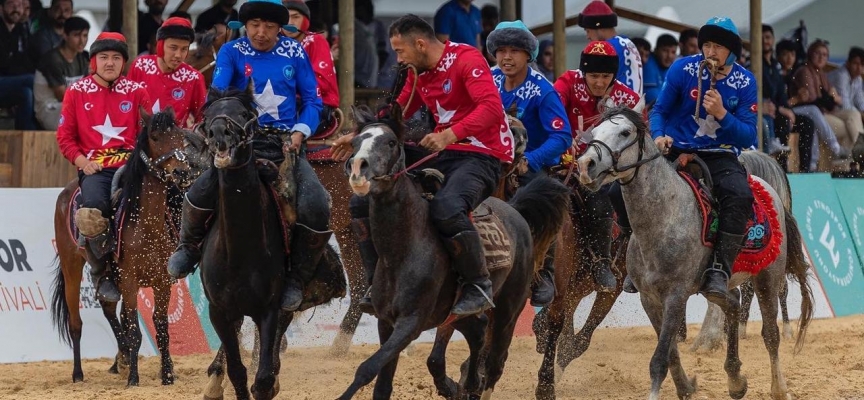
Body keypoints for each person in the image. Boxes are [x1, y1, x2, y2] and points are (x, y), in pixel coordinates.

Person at [331, 14, 512, 316]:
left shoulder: (467, 59)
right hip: (446, 152)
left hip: (484, 154)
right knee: (362, 200)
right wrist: (356, 137)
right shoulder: (418, 73)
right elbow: (394, 113)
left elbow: (492, 109)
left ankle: (479, 284)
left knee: (446, 208)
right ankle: (376, 282)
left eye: (400, 51)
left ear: (419, 44)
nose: (398, 59)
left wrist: (449, 135)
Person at [166, 0, 328, 313]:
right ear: (246, 25)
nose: (261, 32)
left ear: (280, 27)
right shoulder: (232, 52)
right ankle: (188, 247)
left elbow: (312, 101)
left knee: (317, 204)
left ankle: (297, 278)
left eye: (269, 26)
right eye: (255, 25)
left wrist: (299, 132)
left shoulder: (295, 53)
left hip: (286, 146)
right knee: (200, 189)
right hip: (239, 143)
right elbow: (218, 95)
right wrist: (226, 129)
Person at [630, 17, 757, 304]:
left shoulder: (746, 81)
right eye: (707, 45)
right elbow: (660, 109)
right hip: (674, 148)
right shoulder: (682, 68)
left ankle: (719, 272)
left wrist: (723, 114)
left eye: (718, 47)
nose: (710, 52)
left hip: (719, 155)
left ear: (732, 52)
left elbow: (748, 135)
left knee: (738, 195)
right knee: (623, 187)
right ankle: (633, 263)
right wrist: (659, 134)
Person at [55, 32, 151, 303]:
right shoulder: (76, 91)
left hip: (133, 167)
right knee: (89, 216)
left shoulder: (137, 92)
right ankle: (102, 272)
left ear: (124, 63)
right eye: (104, 57)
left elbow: (148, 133)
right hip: (95, 169)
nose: (110, 63)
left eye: (116, 58)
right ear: (93, 61)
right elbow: (64, 136)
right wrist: (82, 162)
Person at [487, 20, 571, 305]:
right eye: (501, 50)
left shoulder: (543, 91)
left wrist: (531, 160)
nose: (506, 57)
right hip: (490, 159)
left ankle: (543, 274)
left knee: (538, 204)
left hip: (529, 164)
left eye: (514, 50)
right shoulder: (489, 78)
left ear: (528, 55)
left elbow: (562, 136)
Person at [554, 41, 640, 293]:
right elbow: (551, 113)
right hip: (561, 162)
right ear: (583, 73)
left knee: (599, 196)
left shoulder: (628, 99)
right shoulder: (567, 83)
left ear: (614, 75)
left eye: (605, 76)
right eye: (593, 75)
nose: (599, 82)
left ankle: (602, 260)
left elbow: (636, 139)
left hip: (605, 171)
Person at [127, 17, 205, 128]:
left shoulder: (194, 78)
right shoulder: (140, 66)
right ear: (160, 46)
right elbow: (126, 107)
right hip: (138, 142)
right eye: (173, 48)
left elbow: (202, 120)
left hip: (177, 143)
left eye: (184, 49)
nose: (178, 55)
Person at [282, 0, 339, 135]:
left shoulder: (317, 41)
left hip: (319, 107)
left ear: (305, 20)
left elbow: (322, 83)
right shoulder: (277, 44)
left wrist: (286, 87)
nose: (290, 22)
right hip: (284, 105)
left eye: (296, 17)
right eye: (286, 18)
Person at [34, 15, 88, 130]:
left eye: (85, 35)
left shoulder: (83, 59)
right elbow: (62, 96)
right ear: (65, 35)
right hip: (49, 110)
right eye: (76, 35)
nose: (82, 40)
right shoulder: (53, 59)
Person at [577, 0, 642, 95]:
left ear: (600, 27)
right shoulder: (628, 43)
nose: (588, 37)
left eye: (588, 31)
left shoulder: (607, 49)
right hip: (634, 105)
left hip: (618, 107)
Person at [642, 33, 677, 105]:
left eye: (673, 52)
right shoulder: (648, 63)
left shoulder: (672, 68)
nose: (669, 56)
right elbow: (652, 97)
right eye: (665, 51)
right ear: (655, 50)